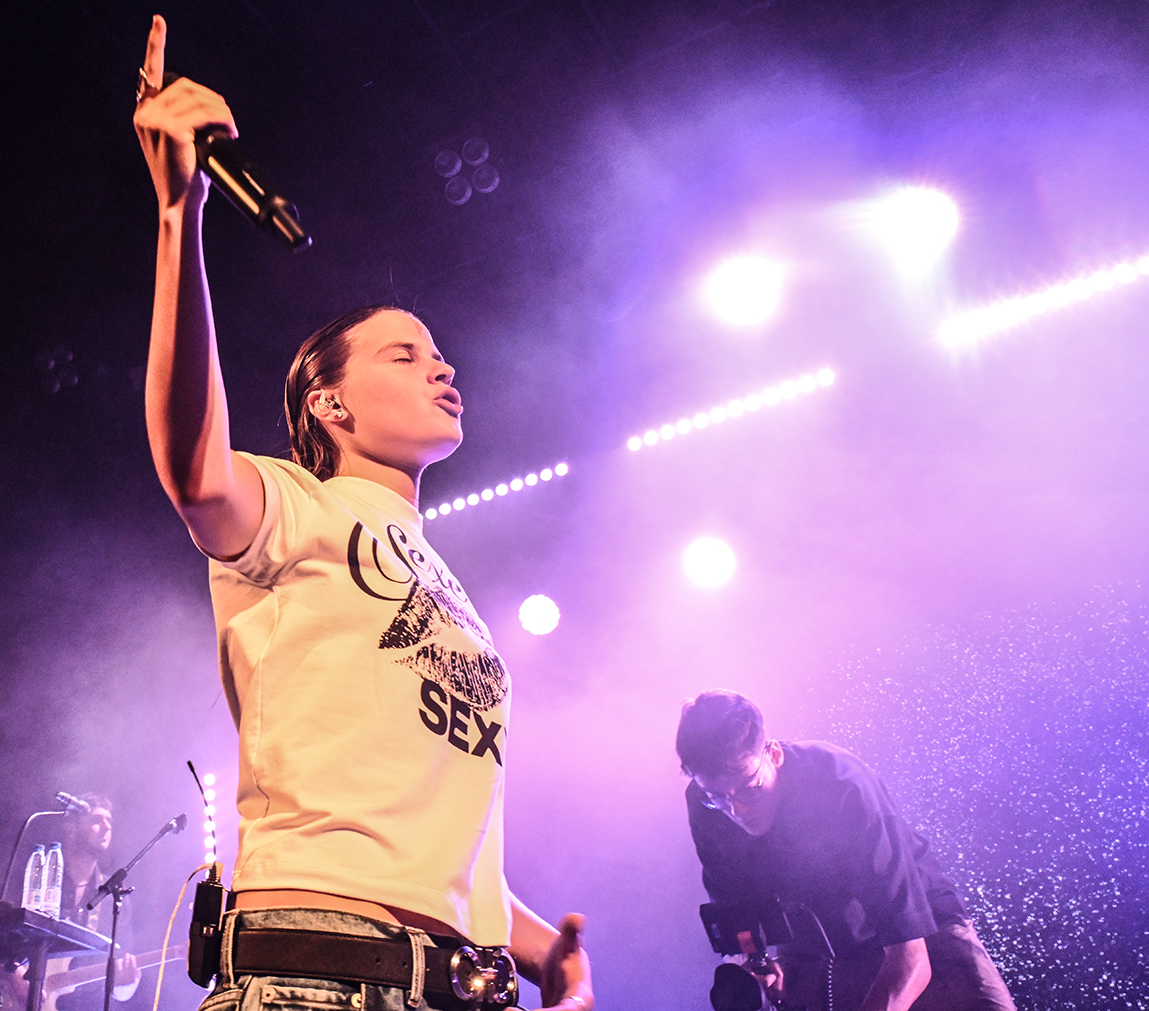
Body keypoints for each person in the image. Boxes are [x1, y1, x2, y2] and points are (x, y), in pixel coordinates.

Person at [131, 15, 592, 1011]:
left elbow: (436, 843)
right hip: (319, 973)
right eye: (405, 354)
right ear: (329, 405)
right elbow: (193, 470)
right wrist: (179, 214)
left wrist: (542, 949)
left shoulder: (448, 583)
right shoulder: (294, 503)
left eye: (441, 355)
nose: (442, 367)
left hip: (454, 986)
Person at [676, 691, 1015, 1011]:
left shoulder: (841, 786)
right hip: (818, 942)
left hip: (922, 928)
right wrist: (757, 961)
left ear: (774, 755)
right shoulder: (705, 805)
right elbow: (736, 907)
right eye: (718, 797)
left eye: (750, 789)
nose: (736, 811)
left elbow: (912, 959)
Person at [54, 795, 141, 1010]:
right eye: (96, 820)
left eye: (109, 821)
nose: (107, 827)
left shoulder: (114, 896)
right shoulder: (44, 875)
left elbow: (120, 975)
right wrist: (16, 979)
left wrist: (125, 986)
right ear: (71, 827)